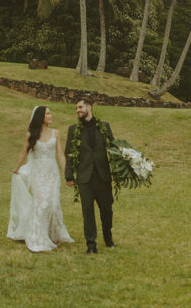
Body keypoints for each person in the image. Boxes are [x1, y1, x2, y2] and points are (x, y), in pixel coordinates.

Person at [7, 105, 74, 252]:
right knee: (42, 203)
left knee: (53, 203)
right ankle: (37, 236)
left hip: (52, 173)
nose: (51, 116)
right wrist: (17, 168)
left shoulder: (55, 133)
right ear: (41, 117)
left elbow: (60, 154)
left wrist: (67, 173)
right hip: (37, 173)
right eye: (48, 113)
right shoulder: (32, 134)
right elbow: (23, 153)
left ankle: (53, 235)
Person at [64, 97, 115, 254]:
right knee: (87, 211)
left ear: (89, 107)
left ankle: (108, 237)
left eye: (80, 107)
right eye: (77, 109)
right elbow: (69, 153)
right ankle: (91, 245)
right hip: (84, 177)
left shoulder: (104, 127)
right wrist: (69, 176)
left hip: (103, 176)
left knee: (106, 210)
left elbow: (114, 149)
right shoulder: (73, 129)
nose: (78, 111)